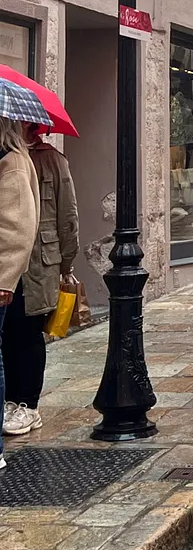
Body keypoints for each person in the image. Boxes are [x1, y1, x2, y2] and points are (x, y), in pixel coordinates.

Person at [1, 127, 80, 437]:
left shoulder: (52, 161)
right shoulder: (6, 157)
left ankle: (28, 404)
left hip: (40, 262)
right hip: (9, 262)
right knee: (7, 332)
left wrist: (67, 264)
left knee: (30, 330)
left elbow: (68, 216)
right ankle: (10, 400)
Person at [0, 119, 40, 470]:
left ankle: (22, 405)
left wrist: (5, 280)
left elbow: (17, 228)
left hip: (7, 276)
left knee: (17, 341)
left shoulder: (12, 161)